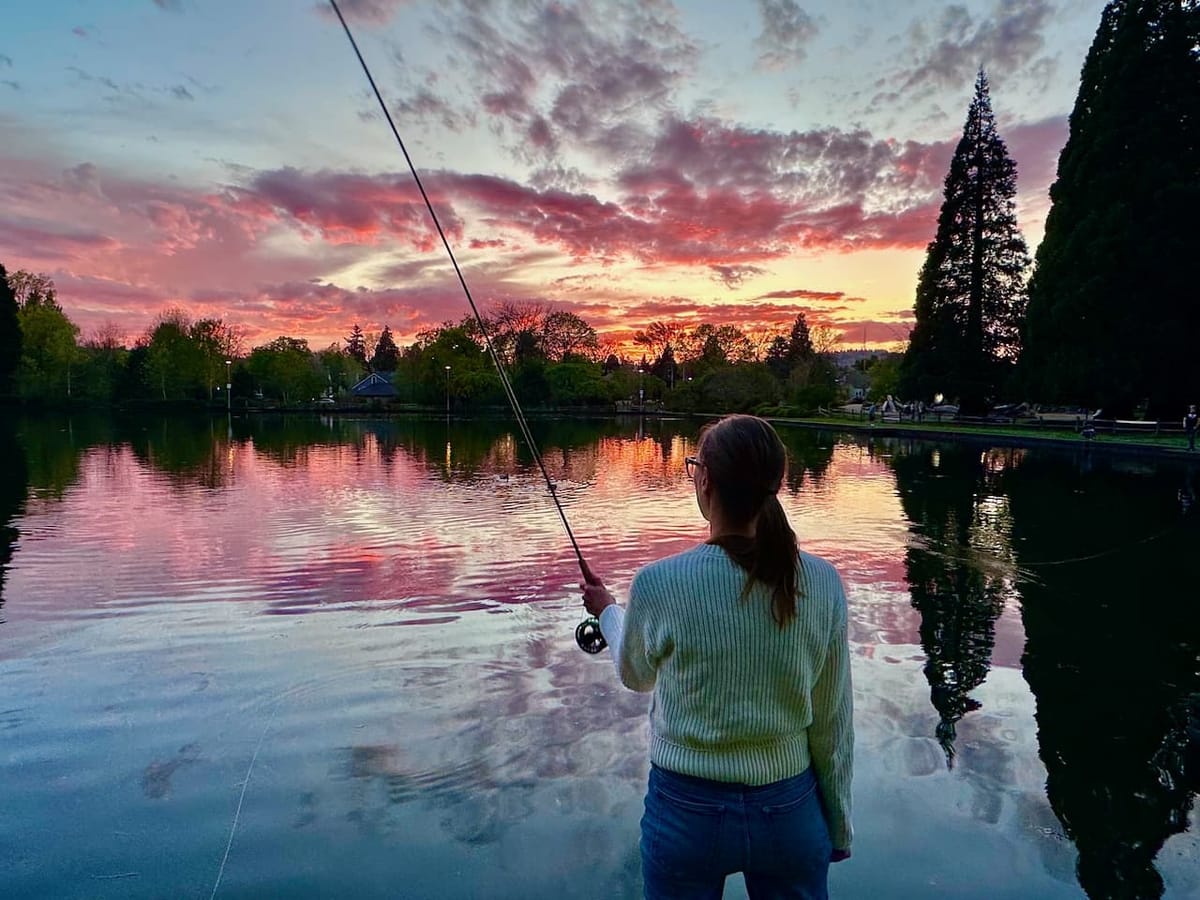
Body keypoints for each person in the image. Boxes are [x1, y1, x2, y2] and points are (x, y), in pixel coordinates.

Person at [581, 414, 854, 899]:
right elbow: (833, 721)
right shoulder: (823, 582)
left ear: (705, 479)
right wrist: (836, 823)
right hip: (790, 811)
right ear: (774, 485)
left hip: (686, 812)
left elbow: (634, 674)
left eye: (693, 467)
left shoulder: (659, 583)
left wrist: (608, 614)